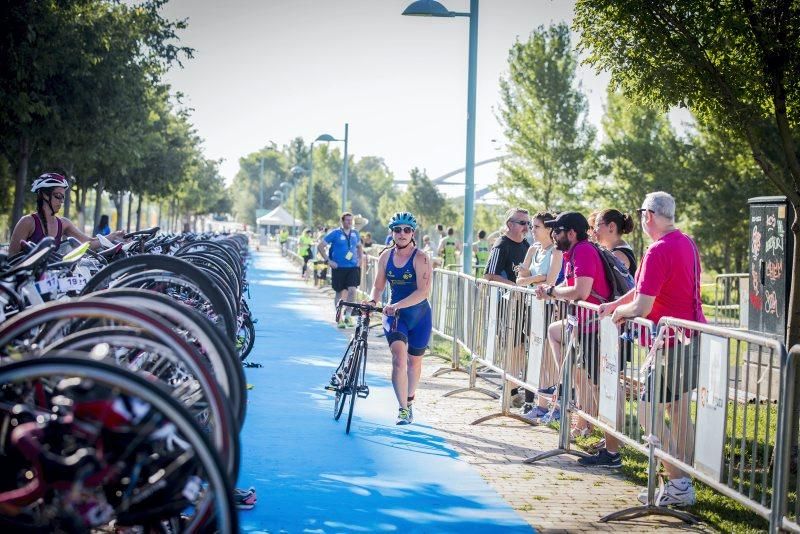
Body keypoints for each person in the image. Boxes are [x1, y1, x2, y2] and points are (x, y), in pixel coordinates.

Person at [584, 192, 704, 507]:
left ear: (647, 216)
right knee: (678, 412)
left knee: (649, 415)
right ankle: (683, 479)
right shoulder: (686, 242)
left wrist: (620, 313)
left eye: (641, 214)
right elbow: (642, 289)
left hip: (668, 342)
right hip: (690, 337)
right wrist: (613, 304)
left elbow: (642, 304)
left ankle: (679, 483)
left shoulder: (658, 249)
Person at [533, 212, 611, 434]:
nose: (553, 235)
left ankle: (599, 430)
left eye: (557, 231)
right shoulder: (574, 251)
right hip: (582, 323)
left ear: (572, 233)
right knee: (556, 334)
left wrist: (551, 291)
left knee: (594, 382)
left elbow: (581, 291)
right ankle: (572, 395)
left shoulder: (584, 251)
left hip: (594, 325)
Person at [366, 212, 432, 425]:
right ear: (392, 232)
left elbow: (423, 292)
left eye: (406, 230)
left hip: (419, 315)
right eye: (397, 229)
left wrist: (396, 305)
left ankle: (410, 401)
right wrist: (372, 301)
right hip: (396, 317)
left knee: (414, 363)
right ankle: (403, 409)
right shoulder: (385, 256)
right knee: (398, 359)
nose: (402, 234)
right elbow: (378, 286)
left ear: (413, 233)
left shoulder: (421, 258)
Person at [514, 212, 564, 418]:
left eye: (536, 227)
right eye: (531, 226)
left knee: (548, 358)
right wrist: (535, 279)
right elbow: (519, 279)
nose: (531, 230)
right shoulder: (533, 249)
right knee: (535, 356)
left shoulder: (557, 251)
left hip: (550, 309)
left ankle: (553, 406)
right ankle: (541, 404)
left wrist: (532, 279)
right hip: (531, 307)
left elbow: (550, 280)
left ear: (549, 229)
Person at [9, 173, 125, 255]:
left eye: (63, 197)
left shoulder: (63, 223)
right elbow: (11, 258)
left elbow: (88, 243)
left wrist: (113, 236)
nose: (61, 201)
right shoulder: (28, 222)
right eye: (58, 196)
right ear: (44, 194)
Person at [318, 212, 363, 328]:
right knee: (339, 292)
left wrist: (360, 259)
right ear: (342, 221)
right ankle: (339, 318)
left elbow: (359, 247)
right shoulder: (335, 233)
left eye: (351, 220)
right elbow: (320, 246)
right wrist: (328, 261)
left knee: (352, 290)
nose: (349, 222)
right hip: (338, 267)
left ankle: (348, 316)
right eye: (347, 220)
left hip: (352, 267)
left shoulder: (355, 233)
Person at [484, 208, 531, 286]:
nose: (526, 228)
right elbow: (489, 275)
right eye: (522, 223)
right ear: (510, 225)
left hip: (523, 296)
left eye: (528, 223)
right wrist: (515, 288)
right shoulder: (501, 245)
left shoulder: (525, 244)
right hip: (503, 297)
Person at [593, 209, 637, 275]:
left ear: (611, 226)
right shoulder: (618, 252)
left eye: (597, 225)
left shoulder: (617, 255)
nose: (594, 231)